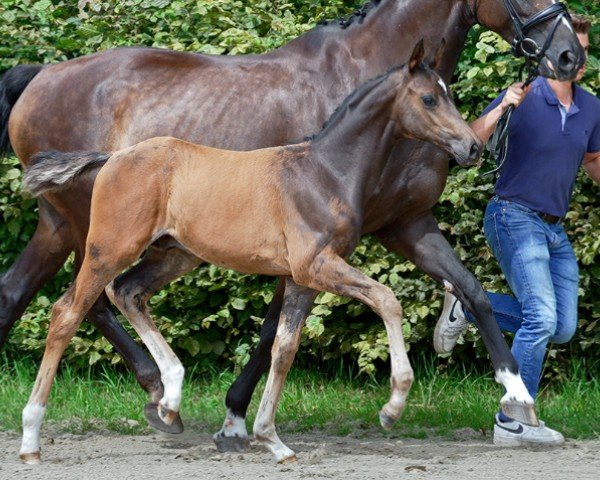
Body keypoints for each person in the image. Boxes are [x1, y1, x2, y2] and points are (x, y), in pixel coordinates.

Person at [434, 15, 600, 446]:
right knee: (542, 317)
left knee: (560, 326)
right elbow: (469, 142)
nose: (575, 58)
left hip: (554, 231)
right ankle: (514, 418)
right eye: (569, 48)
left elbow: (594, 162)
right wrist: (502, 107)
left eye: (582, 51)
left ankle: (469, 306)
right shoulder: (524, 95)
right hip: (513, 215)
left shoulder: (593, 108)